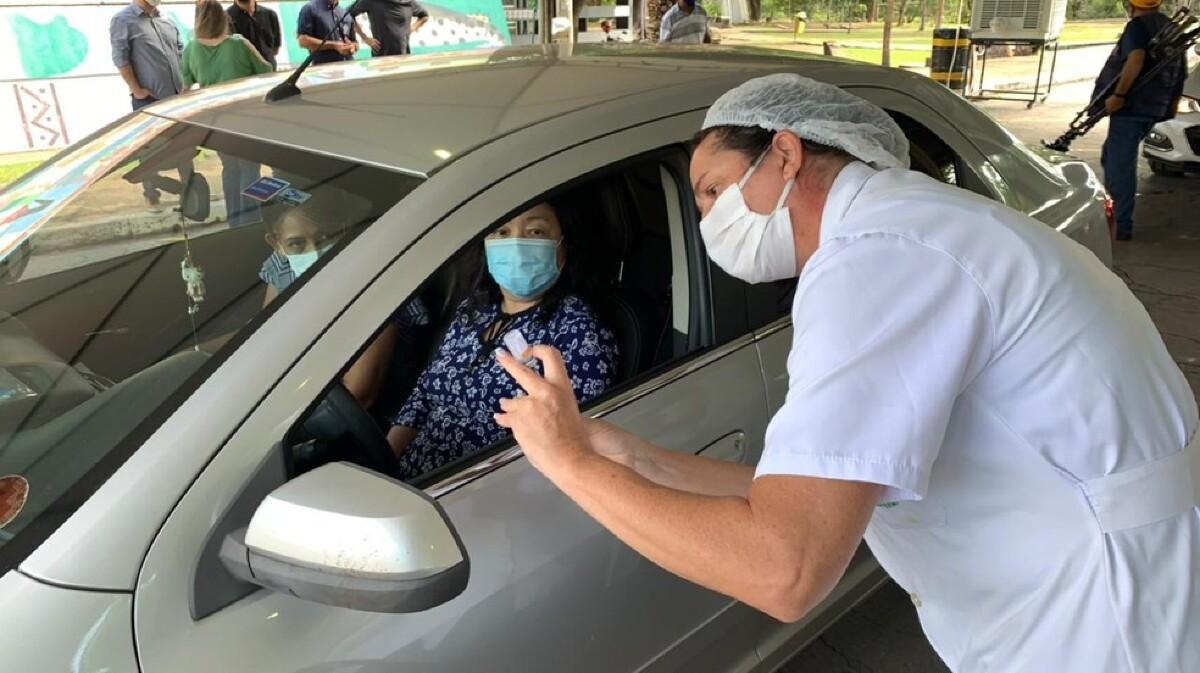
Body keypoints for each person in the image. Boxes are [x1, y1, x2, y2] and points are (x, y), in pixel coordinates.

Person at [492, 73, 1200, 673]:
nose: (706, 222)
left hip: (1097, 618)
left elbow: (785, 567)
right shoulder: (910, 230)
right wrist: (623, 453)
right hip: (1080, 582)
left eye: (710, 191)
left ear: (786, 153)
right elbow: (811, 497)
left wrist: (570, 464)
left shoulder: (880, 257)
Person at [387, 200, 619, 480]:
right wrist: (385, 462)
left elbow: (571, 442)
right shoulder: (472, 310)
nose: (517, 246)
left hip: (483, 492)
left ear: (563, 244)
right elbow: (423, 395)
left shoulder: (579, 330)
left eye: (535, 232)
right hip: (411, 480)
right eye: (502, 232)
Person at [258, 190, 430, 411]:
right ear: (277, 244)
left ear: (344, 232)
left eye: (325, 238)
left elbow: (358, 396)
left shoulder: (377, 285)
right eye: (297, 244)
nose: (315, 253)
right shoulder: (283, 265)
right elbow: (268, 334)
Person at [1094, 0, 1188, 241]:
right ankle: (1115, 214)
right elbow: (1181, 70)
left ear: (1130, 4)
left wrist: (1119, 95)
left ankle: (1120, 225)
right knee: (1111, 156)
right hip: (1155, 106)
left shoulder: (1138, 27)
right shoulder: (1171, 28)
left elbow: (1135, 59)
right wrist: (1171, 104)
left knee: (1119, 167)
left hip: (1132, 107)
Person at [182, 0, 272, 228]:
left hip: (216, 122)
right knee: (250, 169)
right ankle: (251, 221)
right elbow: (267, 70)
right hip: (247, 120)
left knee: (230, 168)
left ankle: (235, 222)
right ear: (224, 19)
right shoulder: (238, 44)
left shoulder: (191, 48)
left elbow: (186, 85)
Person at [110, 0, 189, 207]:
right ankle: (152, 195)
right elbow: (120, 58)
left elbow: (181, 53)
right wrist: (136, 89)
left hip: (176, 98)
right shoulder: (123, 20)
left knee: (184, 146)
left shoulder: (167, 21)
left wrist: (185, 84)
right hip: (149, 100)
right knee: (149, 151)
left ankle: (189, 192)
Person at [348, 0, 429, 57]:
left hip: (404, 56)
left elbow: (424, 16)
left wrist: (411, 28)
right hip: (381, 57)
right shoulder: (372, 1)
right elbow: (348, 15)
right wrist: (364, 38)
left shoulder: (409, 2)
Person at [297, 0, 359, 65]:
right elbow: (303, 41)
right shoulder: (309, 8)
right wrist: (333, 46)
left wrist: (353, 47)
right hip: (323, 69)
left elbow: (354, 41)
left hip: (349, 66)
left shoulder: (345, 12)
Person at [227, 0, 282, 69]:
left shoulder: (270, 14)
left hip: (269, 71)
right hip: (242, 73)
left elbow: (276, 47)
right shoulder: (225, 18)